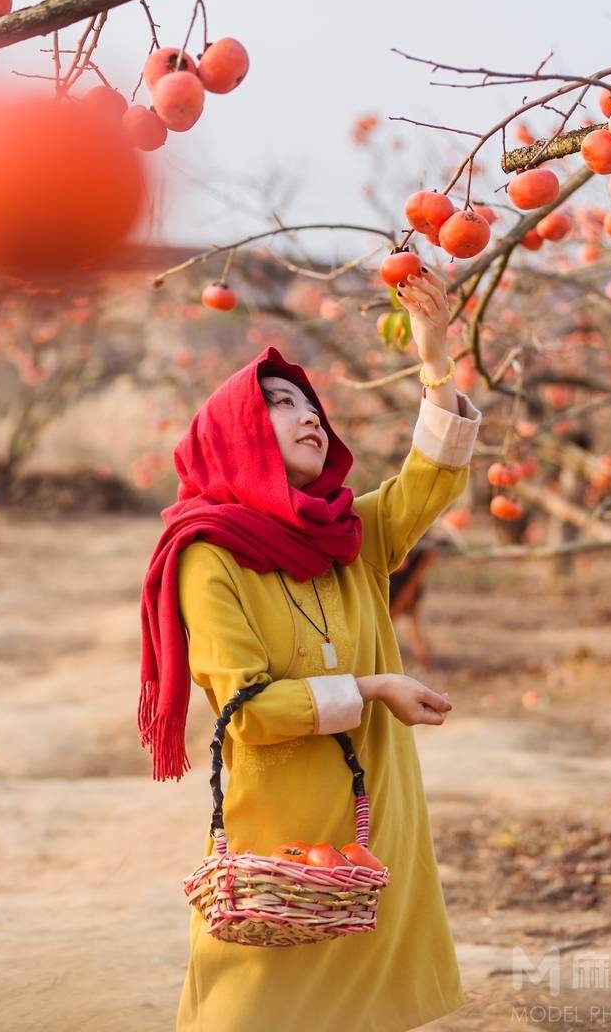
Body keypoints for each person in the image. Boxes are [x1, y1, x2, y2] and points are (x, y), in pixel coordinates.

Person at [138, 268, 482, 1032]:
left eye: (308, 402)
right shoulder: (209, 555)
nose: (306, 415)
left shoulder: (352, 537)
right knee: (256, 1005)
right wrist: (373, 689)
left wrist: (433, 357)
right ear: (235, 438)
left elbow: (432, 476)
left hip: (370, 814)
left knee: (372, 1000)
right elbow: (247, 710)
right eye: (277, 404)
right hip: (280, 829)